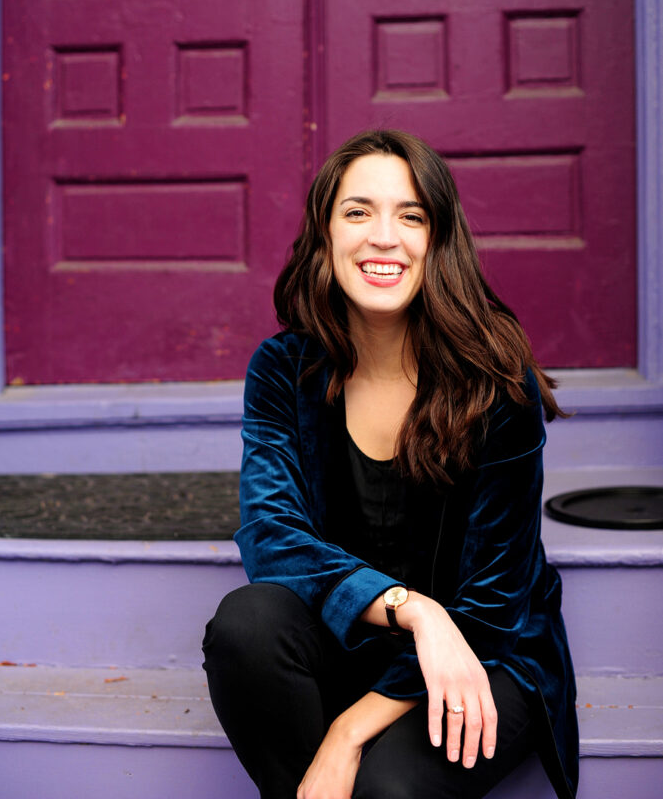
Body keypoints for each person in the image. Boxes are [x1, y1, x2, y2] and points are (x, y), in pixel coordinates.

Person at [203, 129, 578, 799]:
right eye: (357, 212)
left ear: (438, 242)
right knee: (247, 622)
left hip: (482, 652)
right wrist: (413, 611)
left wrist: (346, 732)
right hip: (357, 637)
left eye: (410, 216)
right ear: (323, 237)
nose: (383, 236)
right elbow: (271, 540)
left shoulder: (498, 386)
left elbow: (496, 603)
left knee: (387, 787)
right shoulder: (283, 370)